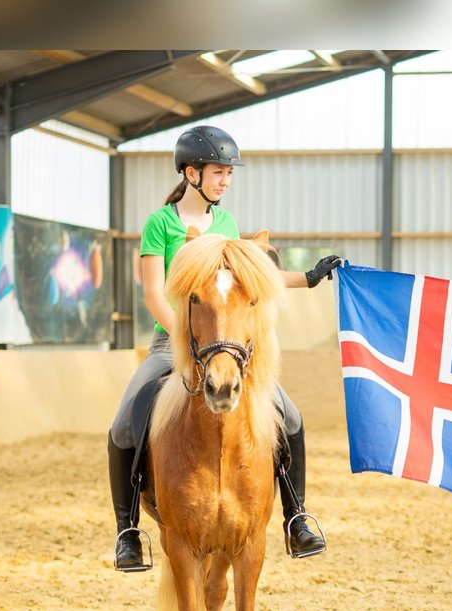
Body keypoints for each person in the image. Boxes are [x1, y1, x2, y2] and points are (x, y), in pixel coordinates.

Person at [108, 125, 340, 570]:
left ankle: (297, 516)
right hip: (172, 341)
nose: (225, 181)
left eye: (229, 174)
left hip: (227, 345)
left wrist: (307, 278)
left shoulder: (227, 225)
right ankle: (128, 531)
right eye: (218, 172)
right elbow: (154, 294)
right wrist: (185, 340)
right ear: (191, 173)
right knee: (122, 426)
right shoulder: (160, 224)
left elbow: (251, 279)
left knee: (290, 418)